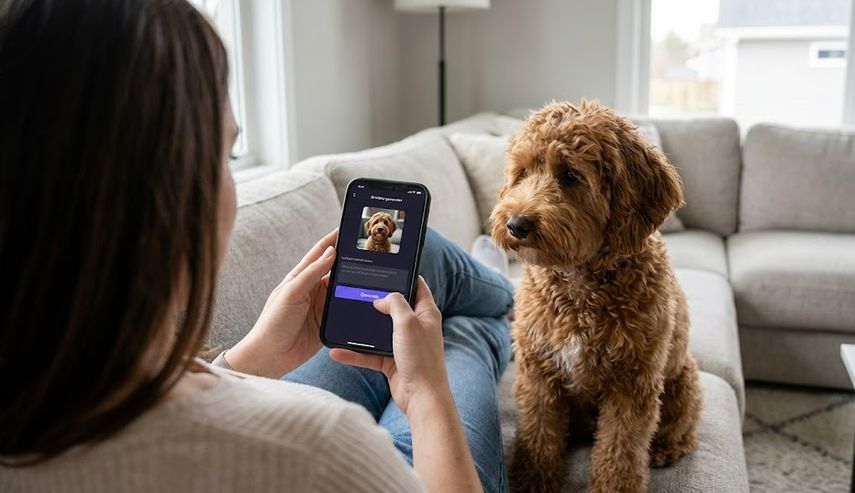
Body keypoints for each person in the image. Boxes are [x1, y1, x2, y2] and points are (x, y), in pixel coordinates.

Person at [0, 1, 514, 492]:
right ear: (170, 202)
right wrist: (426, 396)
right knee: (461, 330)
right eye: (223, 156)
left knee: (414, 262)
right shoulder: (320, 449)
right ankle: (510, 308)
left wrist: (254, 358)